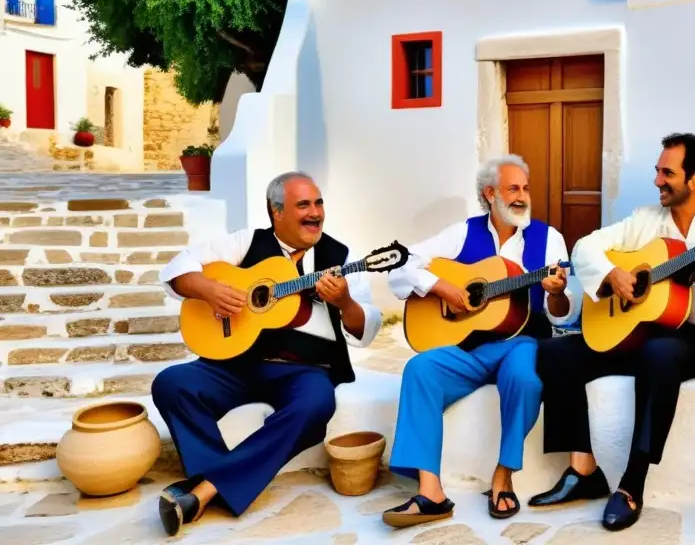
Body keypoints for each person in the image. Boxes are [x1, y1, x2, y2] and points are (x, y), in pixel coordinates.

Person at [528, 133, 695, 531]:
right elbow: (585, 247)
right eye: (657, 171)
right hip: (642, 329)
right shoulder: (646, 220)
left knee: (661, 353)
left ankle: (632, 481)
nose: (657, 181)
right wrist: (612, 274)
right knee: (554, 353)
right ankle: (583, 470)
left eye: (667, 172)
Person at [152, 171, 382, 536]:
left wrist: (344, 301)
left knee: (315, 405)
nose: (315, 213)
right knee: (172, 383)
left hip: (303, 371)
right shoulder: (247, 242)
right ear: (276, 212)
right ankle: (219, 483)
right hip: (235, 364)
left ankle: (204, 490)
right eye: (303, 204)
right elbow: (178, 269)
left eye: (319, 203)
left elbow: (367, 326)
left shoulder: (341, 257)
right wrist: (209, 290)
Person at [381, 154, 577, 528]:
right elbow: (400, 267)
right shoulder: (462, 233)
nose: (522, 196)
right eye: (512, 188)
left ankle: (503, 476)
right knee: (419, 369)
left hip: (522, 342)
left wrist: (555, 292)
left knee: (524, 378)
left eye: (525, 188)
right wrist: (442, 287)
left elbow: (562, 314)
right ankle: (431, 493)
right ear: (490, 194)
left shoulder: (549, 239)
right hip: (470, 347)